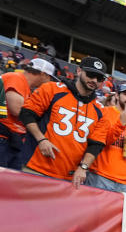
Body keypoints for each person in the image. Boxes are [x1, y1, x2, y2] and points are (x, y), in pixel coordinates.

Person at [18, 56, 112, 188]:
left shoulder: (101, 110)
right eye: (91, 75)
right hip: (35, 168)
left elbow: (96, 144)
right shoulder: (52, 89)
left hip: (68, 177)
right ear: (79, 71)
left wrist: (83, 167)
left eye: (100, 78)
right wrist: (41, 139)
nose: (94, 80)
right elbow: (27, 114)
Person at [0, 57, 54, 169]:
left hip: (10, 139)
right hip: (3, 137)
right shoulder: (17, 78)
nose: (50, 82)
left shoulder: (25, 85)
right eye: (50, 78)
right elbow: (16, 109)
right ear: (43, 74)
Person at [86, 83, 126, 193]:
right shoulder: (105, 112)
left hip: (124, 180)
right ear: (116, 95)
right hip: (100, 175)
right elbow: (101, 142)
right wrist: (122, 123)